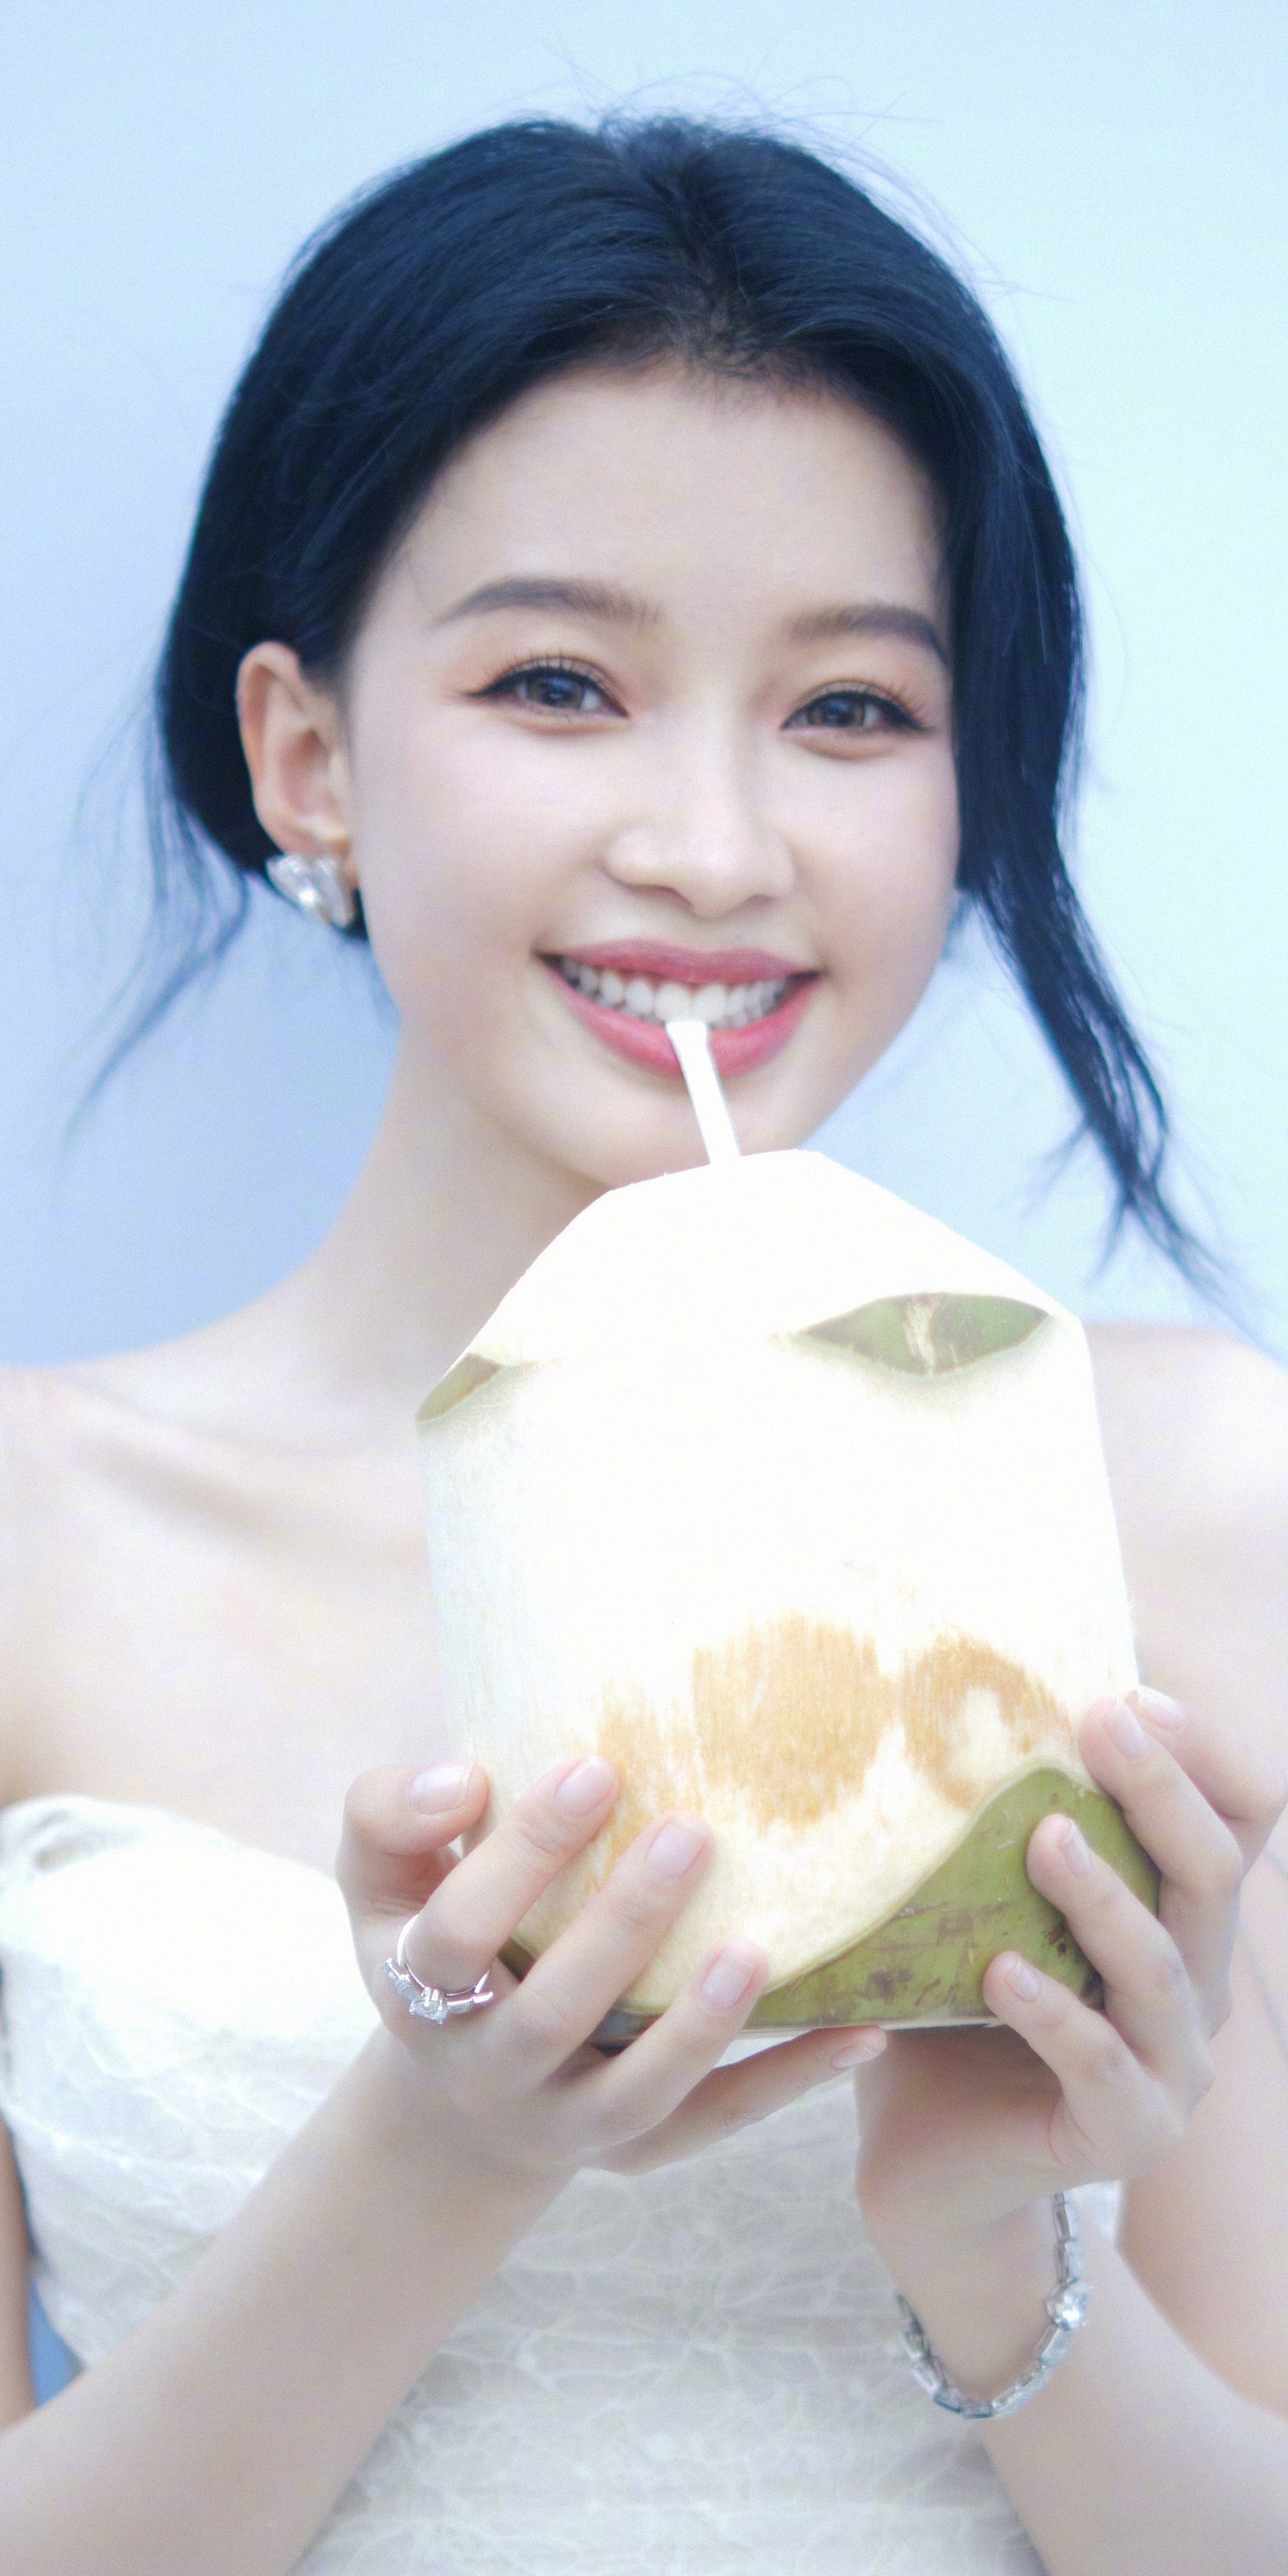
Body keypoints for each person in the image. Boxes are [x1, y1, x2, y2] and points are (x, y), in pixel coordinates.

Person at [0, 113, 1284, 2576]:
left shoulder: (1200, 1502)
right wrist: (438, 2150)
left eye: (852, 709)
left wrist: (992, 2244)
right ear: (306, 756)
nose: (714, 844)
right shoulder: (36, 1543)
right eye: (561, 682)